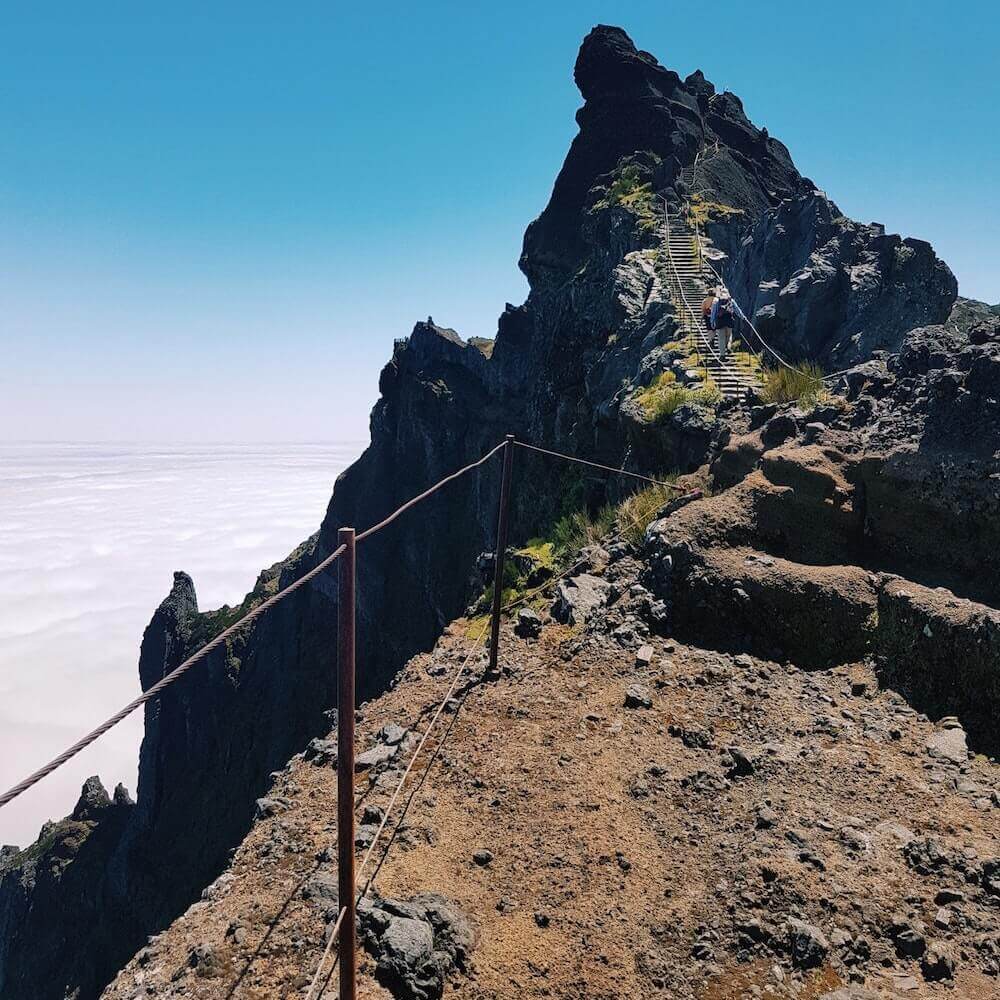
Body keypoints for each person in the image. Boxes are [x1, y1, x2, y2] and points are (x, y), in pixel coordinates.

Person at [711, 289, 735, 359]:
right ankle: (727, 346)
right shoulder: (731, 300)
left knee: (721, 338)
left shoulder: (716, 301)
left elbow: (713, 313)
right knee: (728, 336)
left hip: (720, 321)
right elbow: (736, 309)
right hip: (729, 321)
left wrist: (712, 322)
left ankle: (722, 355)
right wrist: (743, 317)